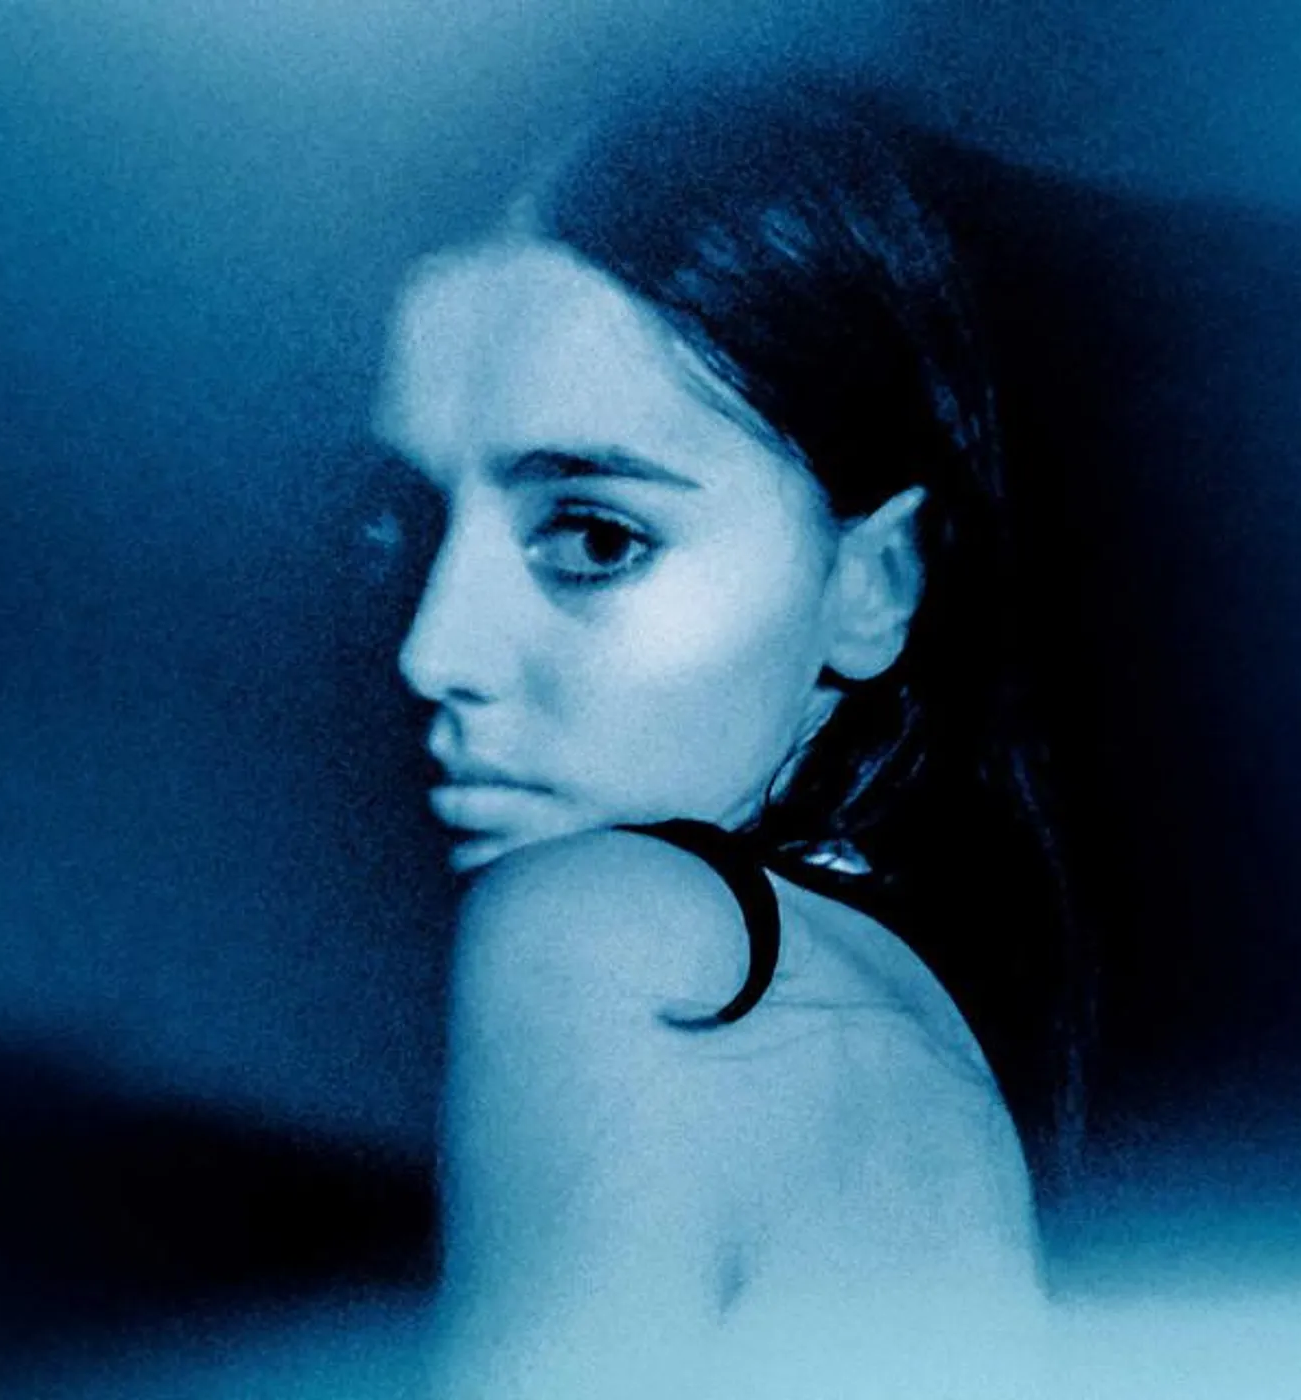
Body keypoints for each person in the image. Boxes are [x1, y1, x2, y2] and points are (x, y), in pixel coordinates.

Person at [367, 72, 1087, 1399]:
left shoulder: (614, 932)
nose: (434, 650)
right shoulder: (907, 1043)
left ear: (873, 582)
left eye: (596, 537)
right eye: (405, 525)